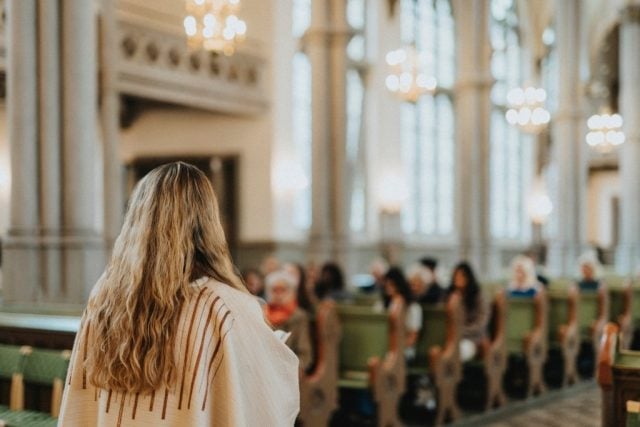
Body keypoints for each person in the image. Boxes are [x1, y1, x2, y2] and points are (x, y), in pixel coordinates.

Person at [58, 162, 299, 426]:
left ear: (138, 220)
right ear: (208, 223)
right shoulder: (226, 306)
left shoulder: (104, 295)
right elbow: (267, 401)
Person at [264, 270, 313, 371]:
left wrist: (287, 370)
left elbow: (305, 355)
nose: (278, 294)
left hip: (287, 370)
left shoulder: (299, 316)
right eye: (274, 290)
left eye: (282, 290)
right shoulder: (262, 313)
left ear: (292, 293)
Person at [447, 262, 488, 362]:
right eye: (456, 275)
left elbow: (481, 324)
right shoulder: (449, 296)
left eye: (462, 276)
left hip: (471, 339)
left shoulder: (478, 297)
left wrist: (460, 331)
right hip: (449, 338)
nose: (458, 278)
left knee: (457, 352)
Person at [383, 267, 422, 360]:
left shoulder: (413, 308)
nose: (388, 288)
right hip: (385, 347)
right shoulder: (387, 304)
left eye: (391, 284)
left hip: (404, 350)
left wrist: (397, 347)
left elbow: (413, 337)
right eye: (386, 284)